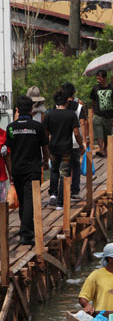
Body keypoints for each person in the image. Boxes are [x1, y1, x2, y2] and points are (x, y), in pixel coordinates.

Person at [6, 96, 50, 245]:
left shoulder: (11, 128)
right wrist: (45, 161)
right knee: (28, 200)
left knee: (23, 200)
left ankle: (25, 229)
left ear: (17, 109)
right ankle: (27, 233)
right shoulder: (37, 126)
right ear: (32, 109)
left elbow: (9, 151)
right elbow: (45, 146)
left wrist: (10, 172)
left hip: (17, 169)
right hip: (33, 169)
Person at [44, 90, 85, 210]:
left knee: (54, 171)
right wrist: (81, 145)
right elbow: (77, 133)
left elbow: (45, 133)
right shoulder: (71, 115)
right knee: (64, 174)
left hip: (53, 148)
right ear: (66, 101)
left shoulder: (49, 115)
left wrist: (47, 145)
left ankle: (53, 194)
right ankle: (60, 203)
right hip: (66, 149)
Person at [61, 82, 87, 201]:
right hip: (76, 141)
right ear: (74, 93)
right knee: (76, 165)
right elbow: (82, 124)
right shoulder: (80, 107)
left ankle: (62, 191)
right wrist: (84, 140)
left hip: (62, 141)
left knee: (63, 166)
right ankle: (75, 191)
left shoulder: (59, 106)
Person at [90, 70, 113, 157]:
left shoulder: (112, 88)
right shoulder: (95, 88)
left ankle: (105, 149)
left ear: (104, 78)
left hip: (109, 115)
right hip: (98, 115)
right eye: (97, 78)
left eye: (99, 78)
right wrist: (93, 111)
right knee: (99, 132)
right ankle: (101, 149)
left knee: (107, 134)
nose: (98, 80)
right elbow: (93, 101)